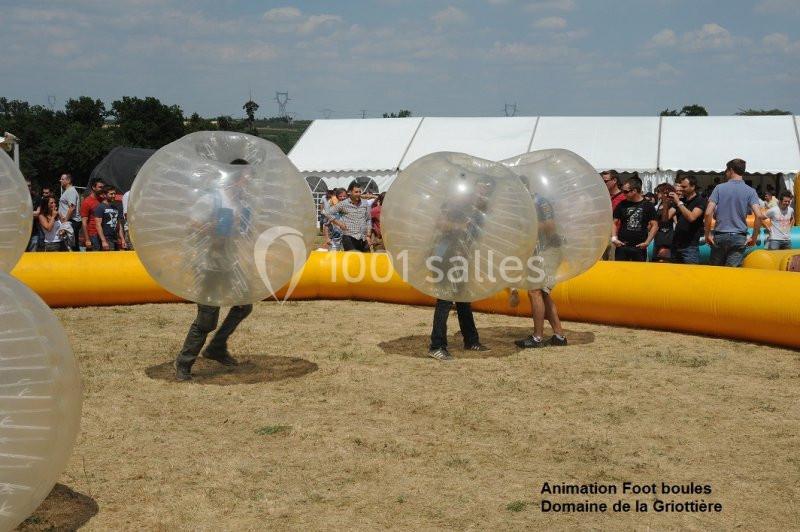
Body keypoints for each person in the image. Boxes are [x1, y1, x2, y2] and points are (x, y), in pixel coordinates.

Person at [175, 158, 254, 382]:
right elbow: (190, 223)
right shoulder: (212, 199)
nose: (249, 181)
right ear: (236, 177)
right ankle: (183, 362)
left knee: (244, 305)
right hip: (208, 265)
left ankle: (216, 347)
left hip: (229, 264)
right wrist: (210, 230)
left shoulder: (239, 203)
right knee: (207, 319)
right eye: (246, 176)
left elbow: (238, 231)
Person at [511, 193, 568, 348]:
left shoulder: (540, 202)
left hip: (549, 251)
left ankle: (537, 337)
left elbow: (550, 226)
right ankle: (559, 336)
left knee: (534, 291)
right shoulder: (524, 206)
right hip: (541, 252)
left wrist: (527, 226)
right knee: (543, 293)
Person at [704, 158, 765, 267]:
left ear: (731, 170)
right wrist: (754, 237)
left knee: (715, 273)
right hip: (739, 237)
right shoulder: (750, 191)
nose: (726, 173)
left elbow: (708, 213)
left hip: (720, 235)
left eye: (726, 170)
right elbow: (759, 216)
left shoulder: (719, 188)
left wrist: (707, 234)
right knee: (732, 275)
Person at [611, 177, 658, 262]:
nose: (623, 194)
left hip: (639, 247)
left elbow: (655, 225)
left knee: (638, 273)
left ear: (635, 191)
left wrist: (647, 242)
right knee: (620, 272)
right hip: (622, 245)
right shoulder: (622, 204)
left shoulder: (648, 205)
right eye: (622, 191)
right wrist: (614, 238)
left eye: (625, 191)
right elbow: (614, 222)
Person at [665, 175, 707, 264]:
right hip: (676, 244)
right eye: (681, 186)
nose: (682, 189)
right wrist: (666, 202)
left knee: (691, 275)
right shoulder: (681, 200)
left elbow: (691, 218)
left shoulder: (700, 201)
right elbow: (666, 218)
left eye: (684, 187)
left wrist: (679, 203)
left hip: (689, 246)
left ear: (693, 186)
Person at [325, 183, 372, 252]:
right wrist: (339, 223)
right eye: (356, 192)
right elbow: (327, 213)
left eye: (360, 192)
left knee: (366, 260)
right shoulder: (343, 204)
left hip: (363, 238)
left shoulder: (365, 203)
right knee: (352, 260)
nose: (358, 194)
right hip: (349, 237)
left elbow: (368, 219)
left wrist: (368, 235)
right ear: (350, 192)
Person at [601, 170, 625, 260]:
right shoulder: (603, 196)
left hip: (615, 236)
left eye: (605, 181)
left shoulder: (624, 198)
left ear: (614, 180)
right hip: (602, 236)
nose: (603, 183)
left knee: (613, 263)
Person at [58, 173, 81, 251]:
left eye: (62, 179)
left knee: (72, 246)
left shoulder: (71, 191)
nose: (60, 180)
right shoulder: (67, 191)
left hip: (71, 222)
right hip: (68, 222)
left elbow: (72, 207)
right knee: (68, 246)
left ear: (68, 180)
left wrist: (65, 221)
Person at [80, 178, 105, 251]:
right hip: (93, 235)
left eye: (103, 187)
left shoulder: (103, 200)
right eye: (100, 187)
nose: (102, 189)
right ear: (93, 188)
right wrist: (87, 239)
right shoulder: (87, 202)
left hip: (102, 234)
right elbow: (84, 223)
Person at [26, 178, 41, 252]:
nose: (28, 188)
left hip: (34, 232)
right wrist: (33, 213)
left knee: (33, 255)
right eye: (26, 186)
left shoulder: (37, 198)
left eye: (29, 186)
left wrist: (25, 213)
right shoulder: (19, 198)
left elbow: (38, 213)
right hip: (22, 233)